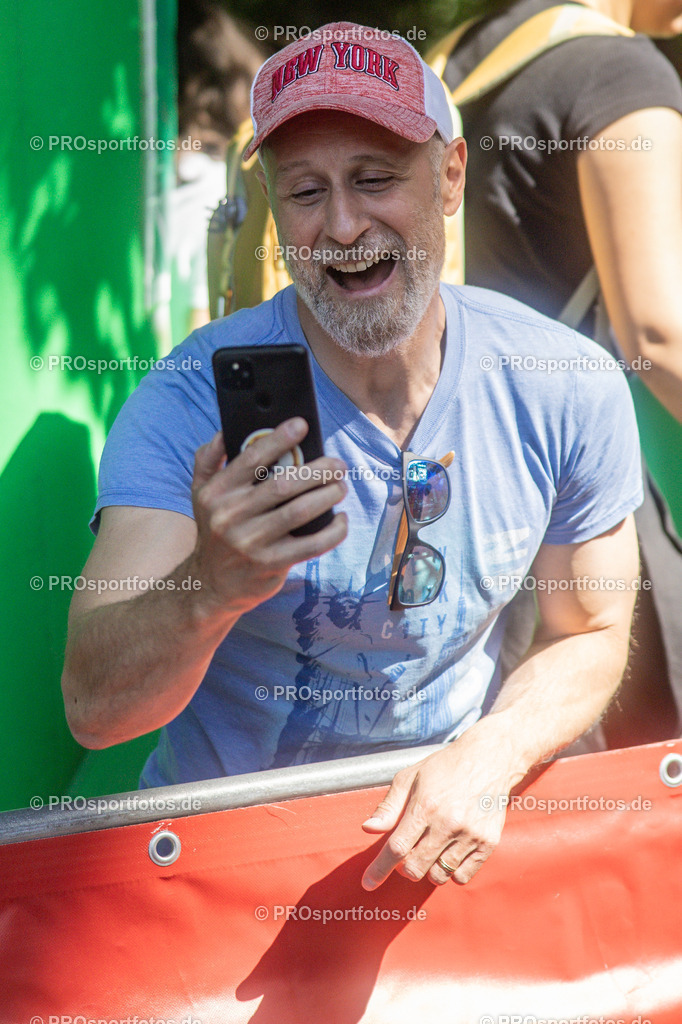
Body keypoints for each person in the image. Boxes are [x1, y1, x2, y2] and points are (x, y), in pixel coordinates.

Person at [62, 23, 642, 890]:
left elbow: (591, 630)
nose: (341, 224)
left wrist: (493, 752)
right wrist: (212, 588)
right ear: (271, 205)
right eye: (304, 191)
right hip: (223, 874)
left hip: (441, 847)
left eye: (375, 179)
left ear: (449, 177)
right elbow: (96, 710)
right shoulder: (188, 403)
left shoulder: (562, 382)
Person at [443, 0, 682, 745]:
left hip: (449, 502)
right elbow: (658, 332)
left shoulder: (458, 63)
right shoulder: (618, 71)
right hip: (578, 521)